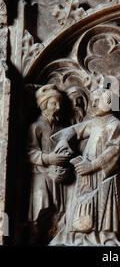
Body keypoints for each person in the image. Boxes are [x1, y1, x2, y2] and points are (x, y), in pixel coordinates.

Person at [50, 88, 120, 246]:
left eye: (99, 100)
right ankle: (79, 236)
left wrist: (92, 165)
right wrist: (64, 139)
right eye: (93, 100)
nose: (94, 103)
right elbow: (75, 130)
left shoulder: (115, 125)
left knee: (103, 204)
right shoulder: (95, 123)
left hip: (102, 172)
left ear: (110, 103)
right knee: (83, 203)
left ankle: (104, 237)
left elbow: (113, 150)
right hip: (85, 171)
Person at [27, 84, 71, 243]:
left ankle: (55, 236)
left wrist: (64, 163)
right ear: (44, 104)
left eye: (59, 104)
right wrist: (48, 159)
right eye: (54, 103)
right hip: (41, 174)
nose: (58, 107)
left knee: (58, 209)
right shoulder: (36, 127)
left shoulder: (61, 127)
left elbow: (67, 149)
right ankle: (36, 236)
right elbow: (30, 152)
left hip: (58, 177)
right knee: (41, 206)